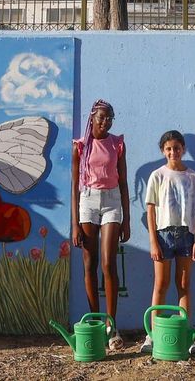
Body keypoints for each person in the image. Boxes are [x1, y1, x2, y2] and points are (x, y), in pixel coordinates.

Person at [71, 99, 130, 350]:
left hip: (112, 200)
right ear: (92, 118)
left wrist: (126, 218)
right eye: (102, 117)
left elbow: (124, 182)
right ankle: (95, 320)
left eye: (110, 118)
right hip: (87, 201)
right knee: (89, 262)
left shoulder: (117, 144)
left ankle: (111, 325)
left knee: (108, 263)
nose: (106, 122)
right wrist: (75, 224)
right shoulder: (81, 146)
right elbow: (75, 186)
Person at [141, 129, 195, 354]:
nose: (173, 152)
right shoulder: (157, 176)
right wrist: (153, 242)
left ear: (183, 149)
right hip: (163, 235)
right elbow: (150, 211)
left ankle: (185, 334)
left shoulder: (193, 177)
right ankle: (152, 335)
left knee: (184, 285)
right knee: (161, 284)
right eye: (168, 149)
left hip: (186, 236)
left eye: (177, 148)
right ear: (163, 151)